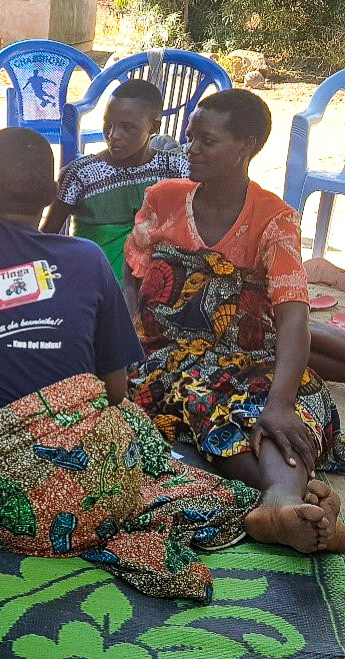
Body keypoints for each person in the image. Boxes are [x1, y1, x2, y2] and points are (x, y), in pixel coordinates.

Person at [0, 128, 338, 603]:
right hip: (100, 486)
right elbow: (115, 391)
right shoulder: (87, 259)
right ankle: (269, 504)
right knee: (138, 435)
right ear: (51, 195)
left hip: (0, 504)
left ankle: (274, 505)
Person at [124, 89, 345, 548]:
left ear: (246, 147)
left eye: (207, 141)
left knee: (291, 400)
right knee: (208, 401)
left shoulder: (274, 220)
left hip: (244, 352)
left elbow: (292, 318)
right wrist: (123, 346)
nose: (192, 149)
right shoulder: (163, 200)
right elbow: (133, 280)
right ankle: (291, 501)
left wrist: (280, 402)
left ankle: (281, 505)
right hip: (164, 356)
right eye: (191, 138)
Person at [41, 79, 188, 281]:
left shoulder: (176, 169)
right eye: (108, 125)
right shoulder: (81, 174)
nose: (113, 135)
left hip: (161, 285)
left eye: (127, 127)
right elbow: (46, 238)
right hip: (95, 283)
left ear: (154, 127)